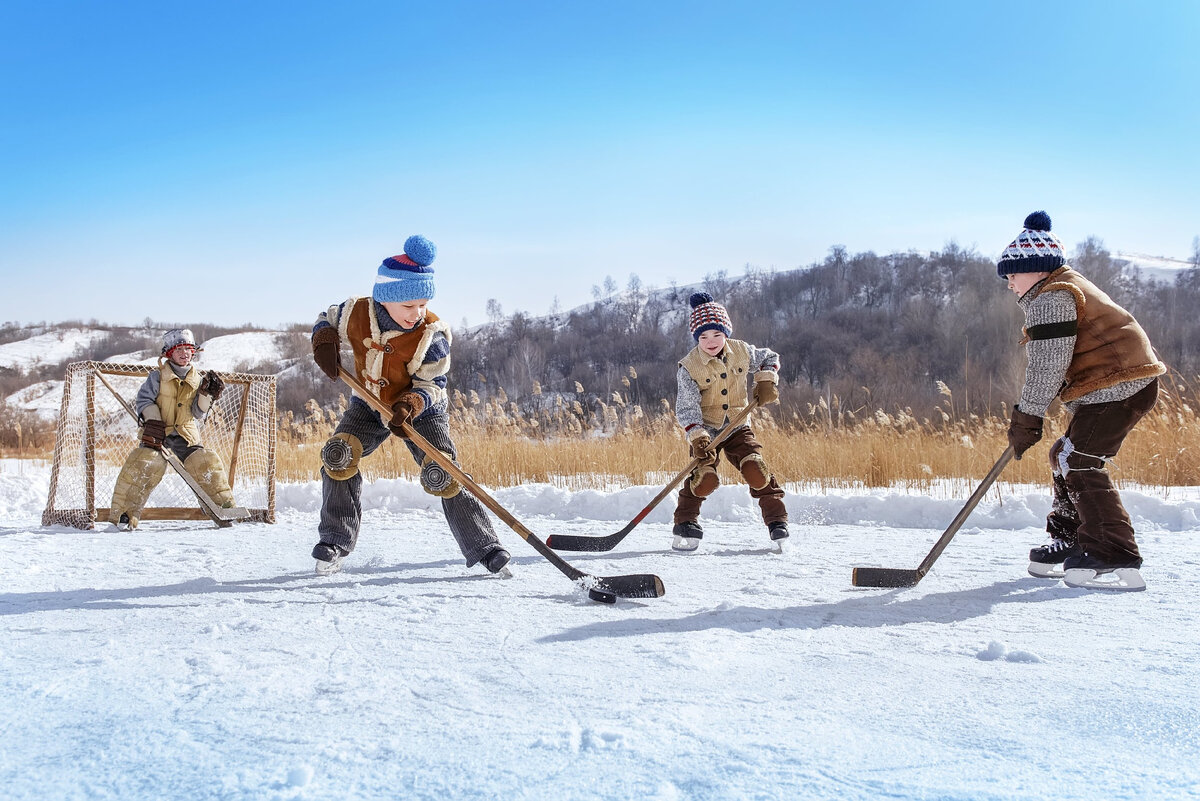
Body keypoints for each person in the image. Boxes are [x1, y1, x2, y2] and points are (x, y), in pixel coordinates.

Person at [308, 234, 511, 576]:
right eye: (409, 306)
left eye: (422, 305)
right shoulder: (355, 312)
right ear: (385, 298)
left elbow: (433, 384)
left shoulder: (432, 337)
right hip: (368, 405)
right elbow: (325, 319)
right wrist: (324, 341)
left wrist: (409, 406)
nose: (417, 314)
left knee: (443, 473)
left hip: (421, 410)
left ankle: (486, 546)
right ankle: (334, 542)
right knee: (338, 456)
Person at [999, 211, 1165, 588]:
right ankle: (1071, 537)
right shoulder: (1061, 287)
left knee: (1079, 460)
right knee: (1064, 454)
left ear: (1037, 268)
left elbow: (1048, 365)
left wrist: (1028, 416)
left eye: (1013, 274)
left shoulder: (1053, 297)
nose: (1009, 283)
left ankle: (1112, 550)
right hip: (1115, 384)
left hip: (1121, 385)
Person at [670, 292, 788, 552]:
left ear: (726, 332)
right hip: (706, 430)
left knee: (756, 468)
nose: (710, 342)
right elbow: (687, 408)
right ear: (696, 338)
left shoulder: (742, 351)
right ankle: (685, 522)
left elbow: (770, 357)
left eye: (716, 334)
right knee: (704, 477)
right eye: (703, 337)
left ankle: (777, 520)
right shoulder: (688, 367)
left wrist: (766, 379)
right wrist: (698, 436)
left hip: (737, 425)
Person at [109, 328, 234, 529]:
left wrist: (207, 396)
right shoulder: (157, 377)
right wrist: (154, 422)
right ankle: (125, 515)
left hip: (185, 433)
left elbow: (197, 413)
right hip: (158, 431)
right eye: (180, 350)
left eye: (188, 349)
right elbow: (144, 400)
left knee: (205, 462)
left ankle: (224, 509)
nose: (185, 354)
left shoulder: (198, 379)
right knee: (145, 464)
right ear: (169, 353)